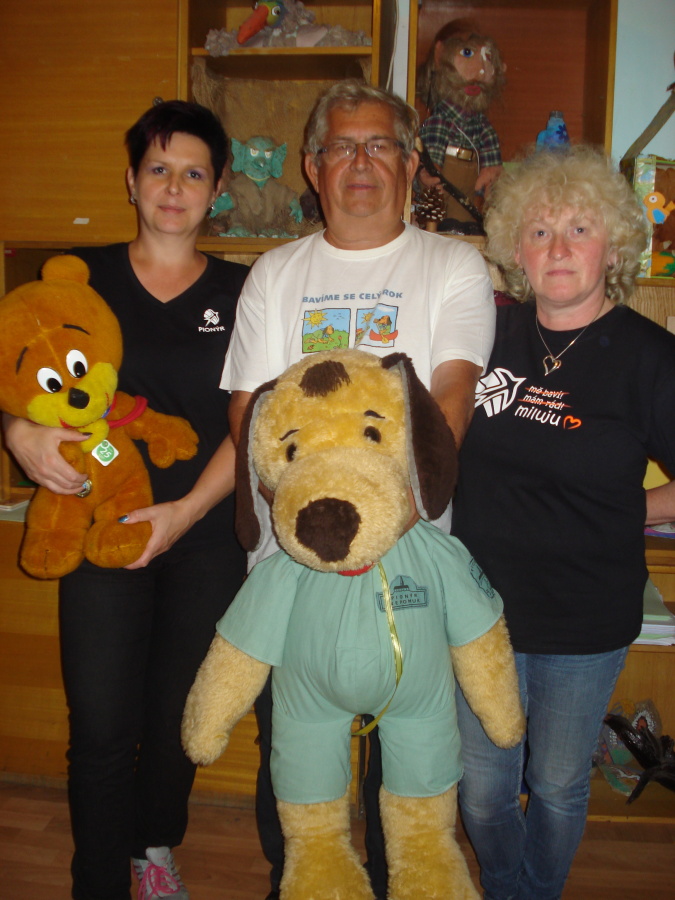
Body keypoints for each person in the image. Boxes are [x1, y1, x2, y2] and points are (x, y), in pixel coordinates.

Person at [220, 79, 496, 900]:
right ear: (312, 166)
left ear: (410, 162)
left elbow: (451, 396)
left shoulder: (453, 265)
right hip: (290, 567)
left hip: (410, 563)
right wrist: (309, 527)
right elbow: (248, 412)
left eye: (380, 144)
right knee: (295, 760)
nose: (361, 162)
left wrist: (391, 517)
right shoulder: (274, 273)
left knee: (405, 767)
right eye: (342, 146)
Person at [1, 101, 248, 900]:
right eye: (157, 169)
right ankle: (98, 879)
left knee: (179, 719)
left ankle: (153, 848)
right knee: (102, 725)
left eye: (192, 173)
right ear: (131, 181)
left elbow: (251, 424)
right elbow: (18, 372)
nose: (173, 187)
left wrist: (184, 514)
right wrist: (17, 431)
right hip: (97, 528)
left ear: (217, 189)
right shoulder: (77, 276)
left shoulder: (246, 290)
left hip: (203, 535)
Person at [451, 144, 675, 899]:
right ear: (515, 249)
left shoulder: (652, 359)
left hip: (585, 617)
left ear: (612, 246)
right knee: (483, 788)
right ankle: (508, 885)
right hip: (479, 611)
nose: (557, 248)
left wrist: (631, 509)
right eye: (540, 231)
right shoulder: (485, 336)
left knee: (553, 784)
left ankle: (533, 893)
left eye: (579, 229)